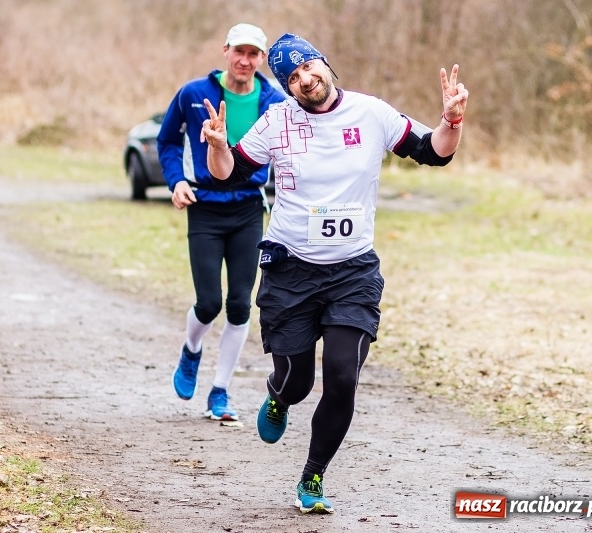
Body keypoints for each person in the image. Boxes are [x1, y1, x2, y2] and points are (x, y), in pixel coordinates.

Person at [202, 34, 468, 513]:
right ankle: (279, 396)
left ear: (325, 62)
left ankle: (313, 476)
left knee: (343, 377)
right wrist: (219, 147)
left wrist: (451, 119)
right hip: (290, 271)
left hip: (352, 273)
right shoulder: (278, 121)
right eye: (293, 77)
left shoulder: (371, 113)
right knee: (298, 381)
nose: (305, 79)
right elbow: (230, 172)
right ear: (286, 88)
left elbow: (434, 151)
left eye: (308, 66)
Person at [157, 23, 286, 421]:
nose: (245, 61)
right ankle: (191, 350)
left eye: (253, 54)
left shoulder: (275, 101)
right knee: (210, 301)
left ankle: (220, 391)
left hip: (248, 208)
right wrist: (176, 180)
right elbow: (166, 141)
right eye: (239, 52)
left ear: (261, 59)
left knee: (239, 305)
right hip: (205, 205)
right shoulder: (194, 93)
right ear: (226, 51)